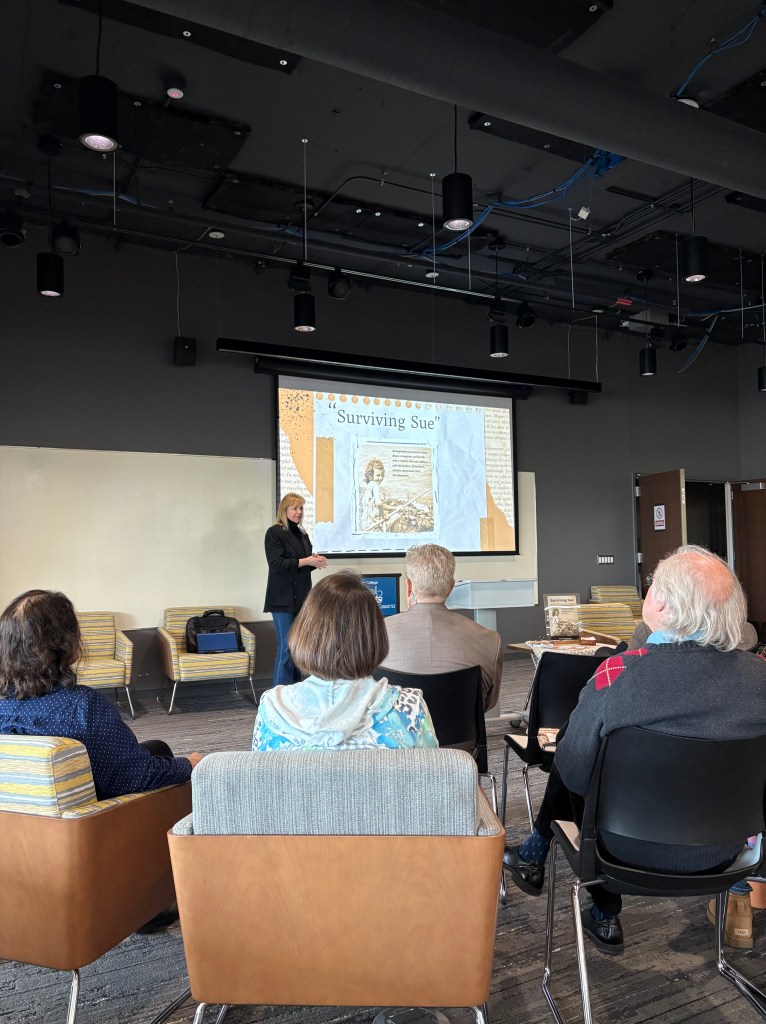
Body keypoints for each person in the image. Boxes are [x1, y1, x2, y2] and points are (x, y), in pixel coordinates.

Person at [503, 545, 766, 955]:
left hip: (622, 851)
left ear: (659, 603)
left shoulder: (617, 674)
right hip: (727, 853)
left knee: (582, 758)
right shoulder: (760, 679)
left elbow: (571, 771)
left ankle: (603, 909)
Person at [0, 590, 201, 800]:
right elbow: (132, 776)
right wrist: (188, 765)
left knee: (157, 748)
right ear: (66, 644)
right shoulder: (83, 706)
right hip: (91, 812)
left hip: (22, 810)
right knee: (165, 759)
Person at [253, 571, 438, 750]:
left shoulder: (271, 710)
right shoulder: (409, 709)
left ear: (304, 633)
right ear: (375, 637)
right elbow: (434, 770)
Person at [381, 543, 503, 712]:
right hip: (463, 730)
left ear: (408, 586)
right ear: (451, 587)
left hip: (397, 729)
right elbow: (487, 703)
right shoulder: (490, 639)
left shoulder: (376, 634)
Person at [264, 493, 327, 686]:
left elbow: (302, 564)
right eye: (295, 508)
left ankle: (294, 690)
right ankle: (278, 693)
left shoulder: (302, 534)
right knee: (286, 646)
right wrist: (306, 561)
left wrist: (314, 561)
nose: (299, 512)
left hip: (301, 598)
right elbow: (276, 564)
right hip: (282, 598)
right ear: (284, 510)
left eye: (301, 508)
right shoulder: (274, 532)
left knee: (298, 647)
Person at [360, 457, 398, 532]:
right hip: (373, 526)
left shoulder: (369, 485)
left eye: (382, 475)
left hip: (365, 523)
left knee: (389, 512)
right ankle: (387, 532)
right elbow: (378, 503)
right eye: (378, 475)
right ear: (371, 475)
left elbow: (380, 504)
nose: (380, 478)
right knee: (397, 516)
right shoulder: (375, 486)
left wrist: (394, 508)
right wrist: (384, 515)